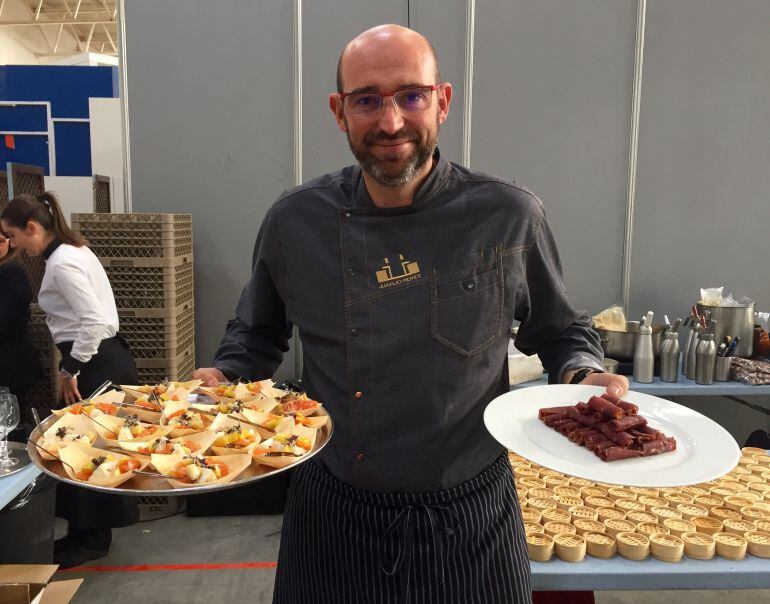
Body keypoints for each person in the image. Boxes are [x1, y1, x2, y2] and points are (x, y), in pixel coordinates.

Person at [195, 25, 628, 604]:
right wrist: (221, 377)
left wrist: (582, 373)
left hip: (467, 516)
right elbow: (256, 334)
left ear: (442, 101)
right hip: (333, 513)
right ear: (339, 112)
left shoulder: (507, 215)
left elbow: (561, 330)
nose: (391, 121)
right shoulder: (296, 221)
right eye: (367, 99)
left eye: (411, 96)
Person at [0, 192, 140, 569]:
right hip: (100, 357)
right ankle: (85, 532)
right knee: (83, 449)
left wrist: (71, 368)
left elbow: (93, 320)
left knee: (89, 451)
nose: (13, 245)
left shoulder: (63, 262)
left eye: (12, 235)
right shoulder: (73, 250)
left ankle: (92, 538)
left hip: (95, 361)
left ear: (32, 227)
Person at [0, 229, 43, 437]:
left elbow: (6, 320)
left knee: (10, 426)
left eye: (0, 240)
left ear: (10, 243)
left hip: (10, 366)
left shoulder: (12, 272)